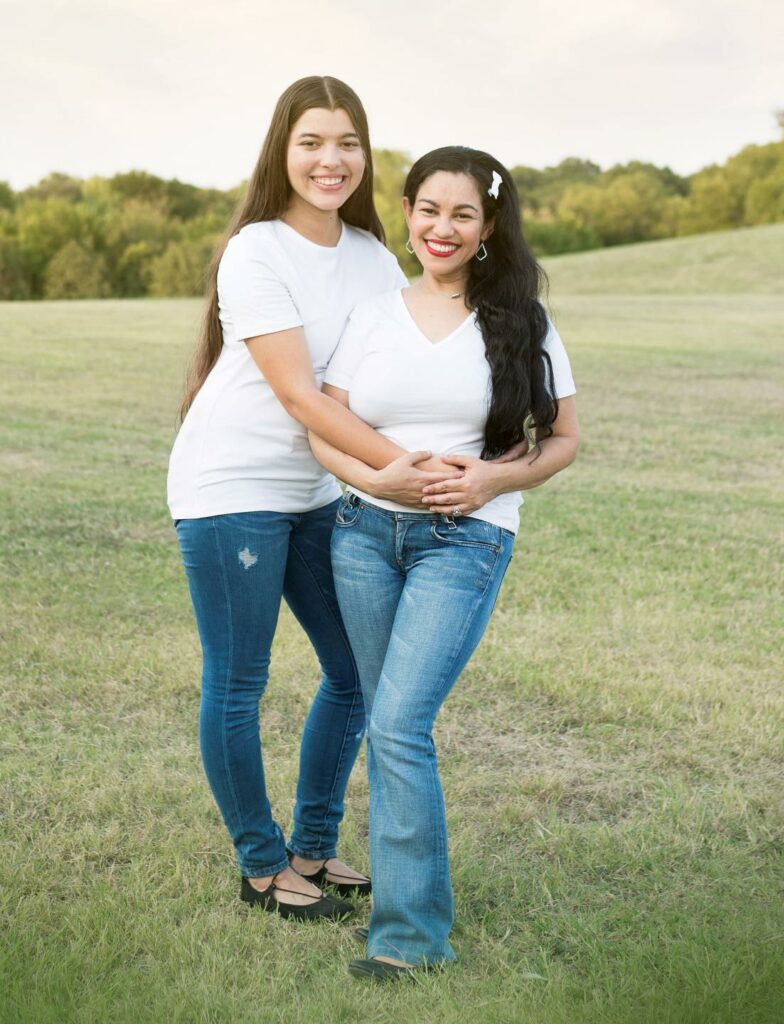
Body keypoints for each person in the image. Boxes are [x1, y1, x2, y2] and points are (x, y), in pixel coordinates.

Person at [168, 76, 462, 918]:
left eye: (346, 143)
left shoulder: (373, 257)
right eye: (311, 143)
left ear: (366, 156)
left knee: (355, 671)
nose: (330, 160)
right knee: (239, 680)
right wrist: (397, 471)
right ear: (282, 151)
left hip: (316, 489)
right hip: (231, 486)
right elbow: (301, 397)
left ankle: (313, 845)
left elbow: (385, 374)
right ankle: (262, 866)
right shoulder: (256, 249)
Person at [308, 146, 580, 978]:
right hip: (361, 536)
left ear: (489, 224)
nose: (442, 228)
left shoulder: (522, 321)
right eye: (429, 209)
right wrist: (375, 475)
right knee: (392, 727)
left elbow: (565, 439)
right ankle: (399, 907)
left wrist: (495, 476)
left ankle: (409, 941)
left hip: (465, 543)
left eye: (462, 213)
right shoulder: (375, 314)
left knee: (396, 724)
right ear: (409, 212)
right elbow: (324, 428)